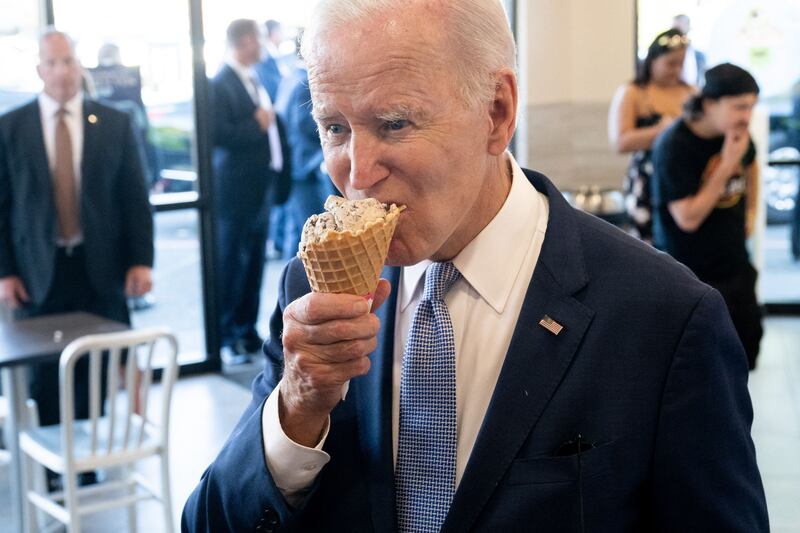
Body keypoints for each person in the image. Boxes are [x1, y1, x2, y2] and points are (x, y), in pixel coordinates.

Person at [183, 2, 768, 531]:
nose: (356, 175)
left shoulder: (665, 317)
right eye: (335, 127)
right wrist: (297, 409)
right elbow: (210, 523)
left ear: (497, 112)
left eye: (394, 123)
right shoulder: (309, 291)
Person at [0, 29, 153, 482]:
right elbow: (2, 205)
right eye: (54, 63)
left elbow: (133, 196)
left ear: (78, 65)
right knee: (46, 374)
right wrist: (5, 271)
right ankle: (54, 471)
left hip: (100, 266)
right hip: (37, 270)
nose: (63, 72)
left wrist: (141, 260)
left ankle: (87, 467)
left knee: (95, 367)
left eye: (69, 62)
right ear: (39, 70)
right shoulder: (11, 127)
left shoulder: (112, 121)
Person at [652, 63, 764, 370]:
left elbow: (752, 166)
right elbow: (688, 218)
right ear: (710, 103)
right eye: (739, 106)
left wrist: (751, 213)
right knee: (699, 370)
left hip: (735, 267)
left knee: (745, 359)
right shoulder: (675, 145)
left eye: (751, 107)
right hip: (690, 277)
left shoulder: (737, 135)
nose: (746, 116)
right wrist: (726, 165)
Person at [209, 19, 291, 361]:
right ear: (243, 42)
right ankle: (227, 335)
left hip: (261, 188)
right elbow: (217, 135)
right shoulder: (219, 83)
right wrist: (253, 124)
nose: (263, 45)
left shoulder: (257, 78)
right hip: (235, 192)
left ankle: (246, 329)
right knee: (232, 263)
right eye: (258, 39)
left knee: (255, 262)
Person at [608, 28, 694, 242]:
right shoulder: (633, 92)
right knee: (649, 243)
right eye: (670, 63)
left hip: (683, 175)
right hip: (648, 179)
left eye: (680, 64)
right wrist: (662, 131)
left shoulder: (691, 92)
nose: (675, 70)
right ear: (653, 60)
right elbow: (620, 142)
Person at [672, 14, 707, 87]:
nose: (677, 32)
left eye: (679, 27)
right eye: (674, 28)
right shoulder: (666, 53)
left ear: (688, 27)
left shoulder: (699, 55)